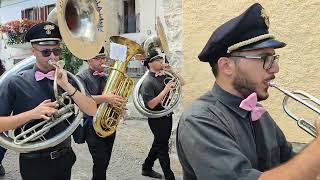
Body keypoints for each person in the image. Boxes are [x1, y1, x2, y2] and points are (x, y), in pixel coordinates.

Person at [176, 3, 320, 180]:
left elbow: (291, 164)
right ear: (226, 66)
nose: (275, 68)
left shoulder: (259, 113)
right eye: (265, 59)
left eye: (274, 58)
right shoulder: (199, 119)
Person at [0, 21, 97, 180]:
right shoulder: (15, 82)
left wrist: (66, 85)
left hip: (65, 158)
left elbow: (92, 109)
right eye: (46, 52)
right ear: (33, 52)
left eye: (56, 51)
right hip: (33, 163)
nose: (53, 56)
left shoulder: (68, 79)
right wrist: (32, 114)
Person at [76, 47, 125, 180]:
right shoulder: (80, 77)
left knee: (105, 161)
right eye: (97, 58)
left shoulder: (109, 77)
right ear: (88, 60)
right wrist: (105, 98)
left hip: (109, 122)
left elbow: (114, 97)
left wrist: (119, 106)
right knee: (100, 161)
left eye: (103, 58)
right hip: (91, 124)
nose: (102, 61)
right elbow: (81, 99)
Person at [140, 49, 185, 180]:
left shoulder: (165, 75)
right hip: (156, 118)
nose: (161, 61)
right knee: (163, 148)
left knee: (159, 142)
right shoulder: (147, 82)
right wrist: (165, 90)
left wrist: (172, 71)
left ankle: (147, 167)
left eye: (161, 59)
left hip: (167, 115)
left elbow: (182, 83)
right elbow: (151, 105)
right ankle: (169, 176)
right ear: (150, 63)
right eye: (158, 60)